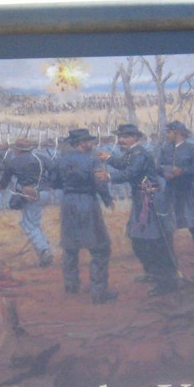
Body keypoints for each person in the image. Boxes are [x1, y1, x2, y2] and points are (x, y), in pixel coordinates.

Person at [105, 125, 178, 296]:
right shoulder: (132, 153)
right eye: (120, 137)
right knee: (138, 240)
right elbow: (123, 164)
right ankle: (152, 273)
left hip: (151, 201)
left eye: (125, 137)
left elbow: (130, 172)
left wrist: (108, 176)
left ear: (135, 138)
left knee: (157, 242)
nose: (121, 140)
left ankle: (167, 282)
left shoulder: (139, 154)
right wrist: (108, 158)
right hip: (142, 200)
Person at [53, 127, 115, 304]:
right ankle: (98, 292)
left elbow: (54, 182)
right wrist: (107, 199)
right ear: (81, 143)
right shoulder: (92, 161)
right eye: (89, 141)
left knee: (70, 246)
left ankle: (71, 286)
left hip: (68, 203)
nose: (92, 144)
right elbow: (100, 184)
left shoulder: (61, 161)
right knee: (100, 248)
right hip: (87, 203)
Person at [158, 121, 194, 267]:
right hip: (170, 192)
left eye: (169, 132)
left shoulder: (192, 149)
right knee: (166, 226)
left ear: (177, 132)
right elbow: (158, 166)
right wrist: (165, 173)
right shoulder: (165, 148)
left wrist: (182, 171)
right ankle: (169, 263)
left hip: (187, 192)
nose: (166, 135)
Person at [0, 136, 53, 267]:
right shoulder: (41, 158)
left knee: (27, 225)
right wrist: (49, 184)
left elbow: (4, 181)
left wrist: (0, 187)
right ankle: (44, 251)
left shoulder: (13, 162)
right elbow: (55, 170)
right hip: (44, 193)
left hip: (30, 195)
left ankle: (44, 250)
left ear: (18, 150)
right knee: (34, 223)